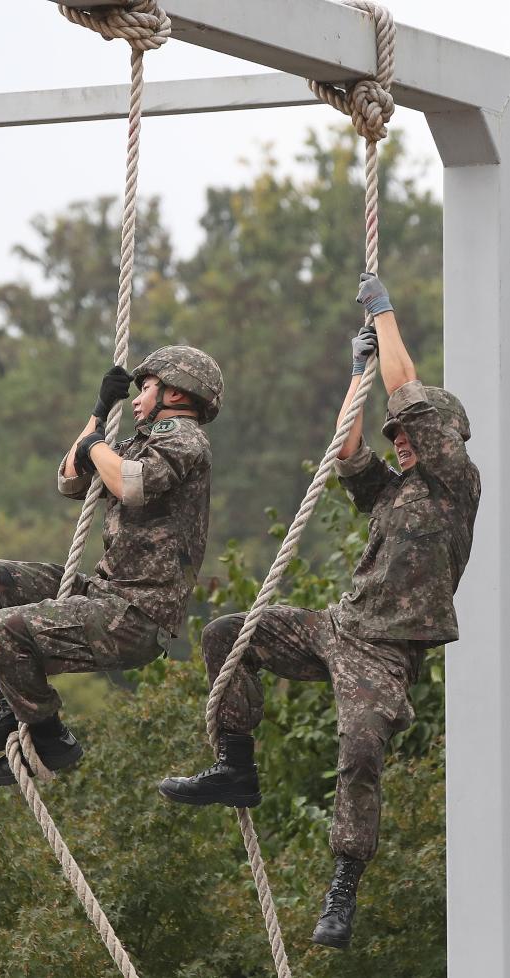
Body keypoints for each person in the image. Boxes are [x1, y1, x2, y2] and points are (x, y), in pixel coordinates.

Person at [159, 275, 480, 949]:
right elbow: (344, 451)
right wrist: (355, 375)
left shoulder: (452, 483)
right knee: (228, 635)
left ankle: (343, 884)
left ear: (440, 437)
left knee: (360, 747)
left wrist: (383, 314)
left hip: (385, 653)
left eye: (407, 431)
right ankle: (236, 765)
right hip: (336, 628)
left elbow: (406, 389)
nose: (397, 439)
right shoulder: (393, 494)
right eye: (394, 434)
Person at [0, 345, 223, 786]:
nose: (136, 398)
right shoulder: (141, 442)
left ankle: (49, 736)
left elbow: (129, 484)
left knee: (4, 628)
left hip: (134, 616)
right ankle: (12, 706)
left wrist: (98, 447)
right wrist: (97, 414)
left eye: (145, 387)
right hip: (105, 594)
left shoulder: (185, 439)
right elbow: (70, 479)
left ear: (175, 393)